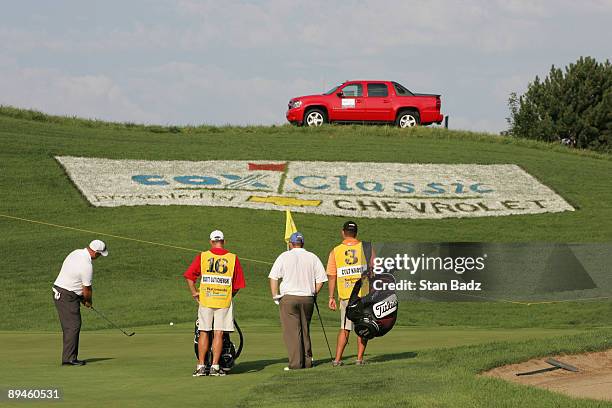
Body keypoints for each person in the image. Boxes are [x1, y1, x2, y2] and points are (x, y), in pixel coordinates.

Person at [184, 230, 245, 377]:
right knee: (219, 332)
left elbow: (189, 276)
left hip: (206, 299)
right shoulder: (233, 258)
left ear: (211, 242)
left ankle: (201, 366)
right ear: (223, 241)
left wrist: (194, 293)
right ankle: (215, 367)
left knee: (204, 331)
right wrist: (229, 296)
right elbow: (237, 285)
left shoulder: (203, 256)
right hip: (223, 300)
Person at [269, 232, 327, 370]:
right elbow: (321, 280)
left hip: (289, 298)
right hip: (307, 298)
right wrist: (313, 292)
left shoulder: (284, 256)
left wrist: (275, 296)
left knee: (292, 332)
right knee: (305, 329)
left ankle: (295, 364)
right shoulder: (312, 257)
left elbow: (273, 277)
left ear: (290, 243)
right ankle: (307, 361)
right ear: (303, 243)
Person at [53, 239, 108, 366]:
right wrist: (88, 301)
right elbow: (87, 289)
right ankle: (69, 359)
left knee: (71, 326)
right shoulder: (87, 265)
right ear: (95, 252)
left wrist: (81, 298)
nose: (99, 257)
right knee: (73, 326)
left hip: (63, 291)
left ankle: (69, 357)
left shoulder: (76, 252)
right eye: (100, 254)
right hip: (66, 295)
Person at [327, 221, 373, 366]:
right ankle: (359, 359)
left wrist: (331, 297)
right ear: (356, 233)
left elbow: (332, 275)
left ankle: (337, 359)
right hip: (364, 294)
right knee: (363, 326)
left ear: (343, 232)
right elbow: (375, 269)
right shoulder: (366, 248)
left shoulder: (335, 251)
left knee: (345, 328)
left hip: (346, 296)